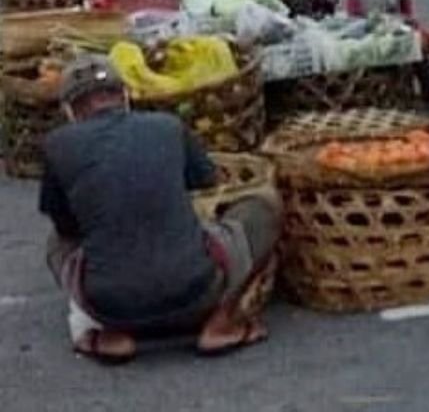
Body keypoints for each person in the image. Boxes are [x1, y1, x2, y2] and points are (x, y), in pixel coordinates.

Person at [40, 55, 281, 363]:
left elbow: (66, 229)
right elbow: (205, 180)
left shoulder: (56, 145)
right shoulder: (167, 126)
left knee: (55, 243)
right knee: (265, 205)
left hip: (113, 309)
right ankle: (221, 324)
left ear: (70, 111)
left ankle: (107, 335)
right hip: (199, 294)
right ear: (126, 96)